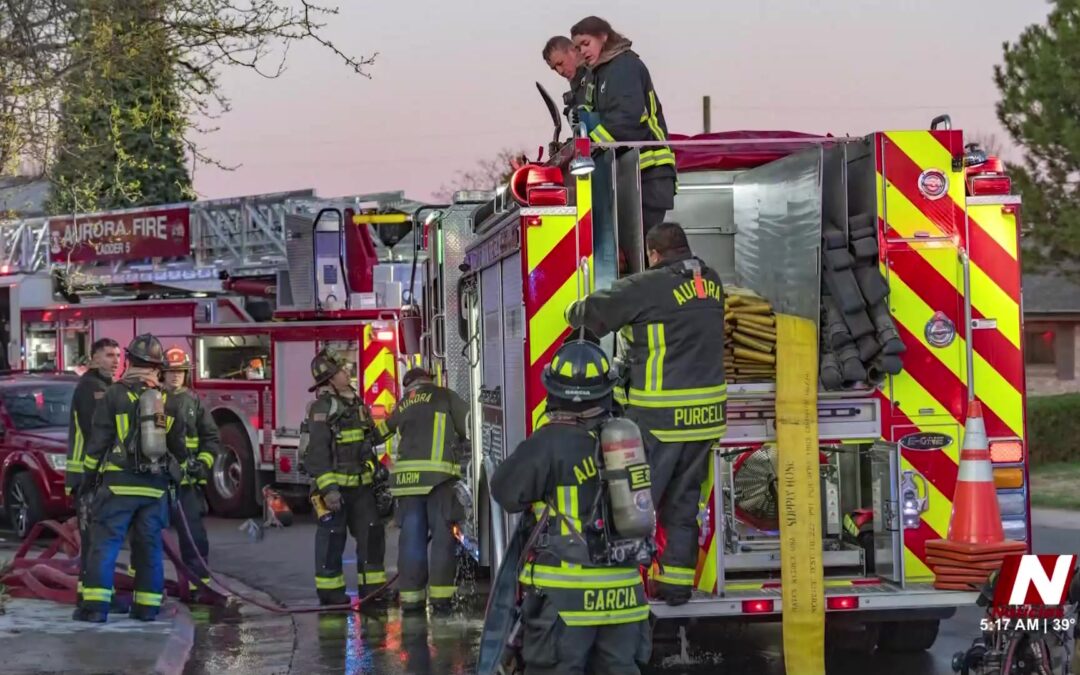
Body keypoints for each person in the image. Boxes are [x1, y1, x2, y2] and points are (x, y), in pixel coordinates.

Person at [564, 223, 726, 606]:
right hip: (705, 418)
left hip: (660, 418)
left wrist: (572, 307)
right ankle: (675, 585)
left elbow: (588, 314)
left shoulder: (648, 286)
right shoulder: (712, 281)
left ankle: (624, 587)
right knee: (683, 505)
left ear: (653, 253)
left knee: (636, 505)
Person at [491, 338, 650, 675]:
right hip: (623, 596)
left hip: (567, 601)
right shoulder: (628, 439)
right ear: (607, 389)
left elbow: (504, 491)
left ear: (554, 390)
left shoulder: (548, 442)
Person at [75, 334, 185, 623]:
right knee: (149, 546)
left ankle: (96, 610)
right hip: (155, 487)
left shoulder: (115, 393)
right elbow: (179, 448)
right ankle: (147, 608)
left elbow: (97, 443)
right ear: (156, 366)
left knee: (106, 543)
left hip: (119, 484)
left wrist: (88, 479)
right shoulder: (166, 399)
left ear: (130, 361)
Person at [372, 367, 469, 614]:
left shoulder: (404, 403)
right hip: (439, 479)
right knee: (442, 540)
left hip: (406, 482)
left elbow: (380, 433)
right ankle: (440, 601)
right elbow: (468, 426)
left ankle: (412, 601)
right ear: (429, 380)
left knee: (411, 541)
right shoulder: (445, 396)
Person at [570, 16, 677, 239]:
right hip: (629, 175)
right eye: (578, 48)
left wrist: (592, 146)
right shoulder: (598, 74)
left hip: (649, 173)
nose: (583, 51)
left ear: (604, 37)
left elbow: (626, 120)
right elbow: (595, 114)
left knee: (645, 251)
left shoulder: (624, 66)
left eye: (586, 44)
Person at [304, 348, 387, 605]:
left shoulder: (357, 403)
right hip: (335, 491)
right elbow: (316, 454)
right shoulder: (323, 408)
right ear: (329, 378)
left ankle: (373, 592)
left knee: (372, 537)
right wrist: (329, 490)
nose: (347, 371)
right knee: (331, 540)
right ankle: (331, 593)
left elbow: (371, 438)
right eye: (341, 369)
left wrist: (396, 422)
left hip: (362, 488)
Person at [65, 337, 121, 613]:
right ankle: (91, 601)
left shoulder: (106, 387)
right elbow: (98, 433)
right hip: (88, 478)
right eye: (109, 355)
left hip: (96, 476)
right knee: (94, 541)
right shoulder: (92, 388)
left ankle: (93, 597)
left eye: (118, 356)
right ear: (94, 357)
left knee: (100, 539)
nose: (115, 360)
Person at [161, 346, 220, 592]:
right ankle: (144, 586)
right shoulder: (154, 400)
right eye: (171, 372)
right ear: (162, 374)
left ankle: (199, 587)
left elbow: (211, 437)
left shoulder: (195, 402)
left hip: (188, 485)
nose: (176, 376)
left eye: (181, 372)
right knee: (149, 534)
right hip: (159, 482)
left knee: (194, 537)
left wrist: (203, 463)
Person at [542, 35, 588, 122]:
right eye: (555, 68)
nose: (560, 71)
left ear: (573, 50)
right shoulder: (577, 84)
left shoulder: (599, 75)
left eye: (560, 63)